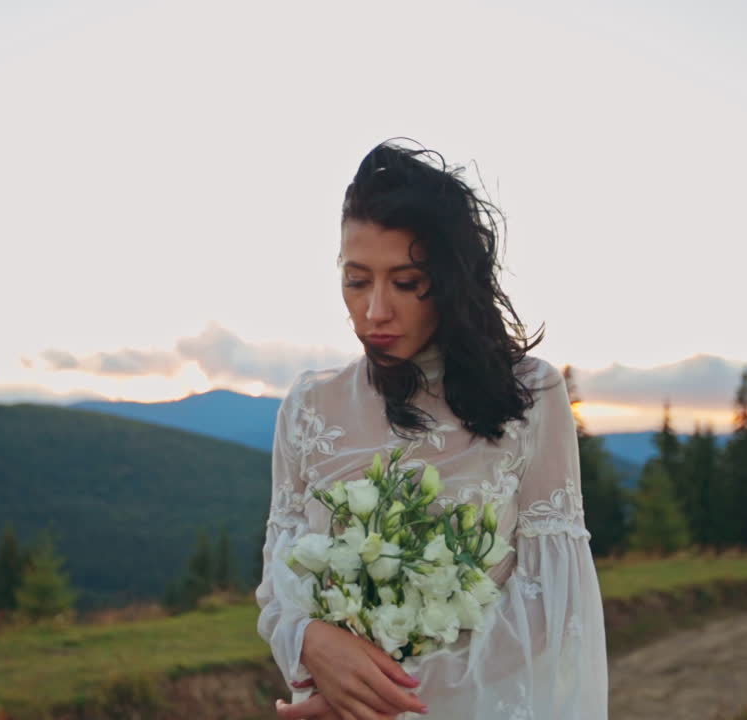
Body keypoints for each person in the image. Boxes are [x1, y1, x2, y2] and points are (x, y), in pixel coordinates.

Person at [256, 138, 608, 720]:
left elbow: (552, 604)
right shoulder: (308, 406)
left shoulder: (532, 395)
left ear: (450, 280)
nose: (374, 312)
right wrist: (312, 645)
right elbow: (279, 587)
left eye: (406, 282)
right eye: (357, 279)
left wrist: (376, 696)